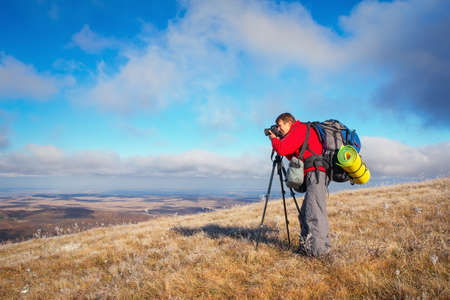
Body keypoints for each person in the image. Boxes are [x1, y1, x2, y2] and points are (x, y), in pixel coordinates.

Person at [268, 112, 330, 257]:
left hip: (315, 173)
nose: (279, 128)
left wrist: (274, 140)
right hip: (312, 173)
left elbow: (283, 149)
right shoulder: (299, 132)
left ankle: (319, 254)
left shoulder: (300, 129)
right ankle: (306, 248)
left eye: (280, 125)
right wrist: (280, 140)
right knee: (305, 214)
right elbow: (292, 154)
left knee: (314, 213)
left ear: (289, 122)